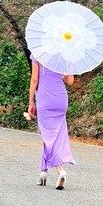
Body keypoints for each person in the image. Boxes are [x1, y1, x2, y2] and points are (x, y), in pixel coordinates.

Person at [28, 55, 75, 189]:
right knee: (50, 135)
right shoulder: (64, 55)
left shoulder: (38, 54)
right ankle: (43, 171)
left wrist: (31, 102)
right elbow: (70, 81)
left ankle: (60, 170)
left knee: (48, 135)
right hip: (61, 99)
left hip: (45, 98)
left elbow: (34, 80)